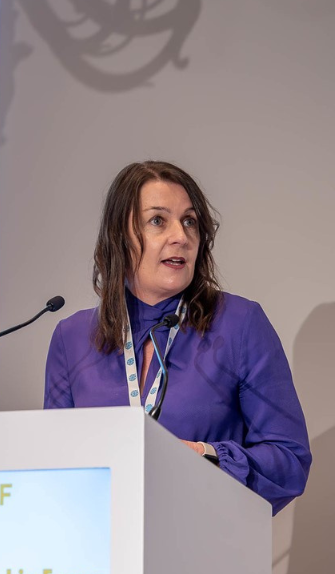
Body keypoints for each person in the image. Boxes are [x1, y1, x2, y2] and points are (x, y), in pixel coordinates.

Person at [44, 160, 311, 514]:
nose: (181, 237)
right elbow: (54, 465)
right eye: (158, 220)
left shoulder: (240, 324)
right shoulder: (72, 338)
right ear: (119, 236)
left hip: (204, 538)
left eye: (189, 221)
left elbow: (289, 460)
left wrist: (205, 456)